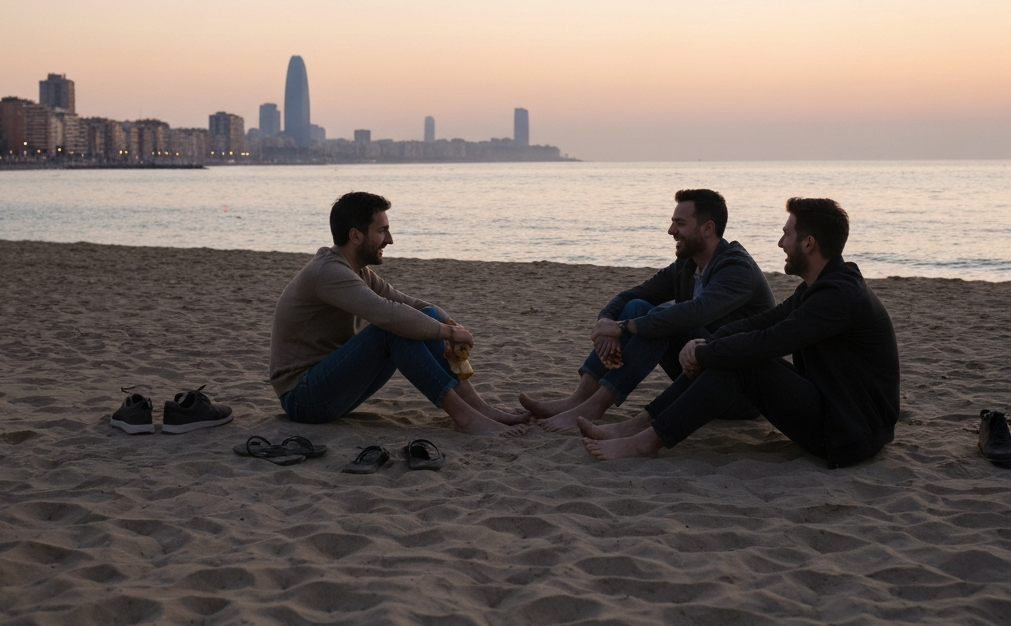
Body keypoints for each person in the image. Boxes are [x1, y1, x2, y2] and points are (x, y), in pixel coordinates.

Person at [581, 198, 900, 468]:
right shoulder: (822, 286)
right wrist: (707, 342)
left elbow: (771, 341)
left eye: (786, 234)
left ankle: (646, 440)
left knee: (741, 362)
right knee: (732, 352)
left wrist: (704, 352)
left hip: (852, 433)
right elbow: (765, 321)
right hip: (838, 413)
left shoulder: (838, 296)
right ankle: (640, 428)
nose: (780, 243)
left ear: (808, 243)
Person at [269, 191, 529, 436]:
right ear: (356, 236)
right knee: (392, 330)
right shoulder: (329, 273)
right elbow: (390, 315)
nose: (390, 239)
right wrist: (448, 332)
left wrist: (446, 322)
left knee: (422, 316)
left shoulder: (357, 271)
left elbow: (410, 304)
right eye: (382, 231)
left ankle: (476, 406)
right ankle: (465, 418)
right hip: (303, 399)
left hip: (331, 386)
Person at [521, 189, 775, 432]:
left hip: (738, 390)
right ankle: (578, 400)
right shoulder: (687, 265)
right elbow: (632, 295)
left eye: (680, 223)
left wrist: (623, 327)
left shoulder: (737, 269)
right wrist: (605, 323)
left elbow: (696, 312)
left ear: (708, 228)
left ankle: (595, 407)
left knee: (659, 322)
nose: (671, 231)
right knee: (637, 307)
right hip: (696, 373)